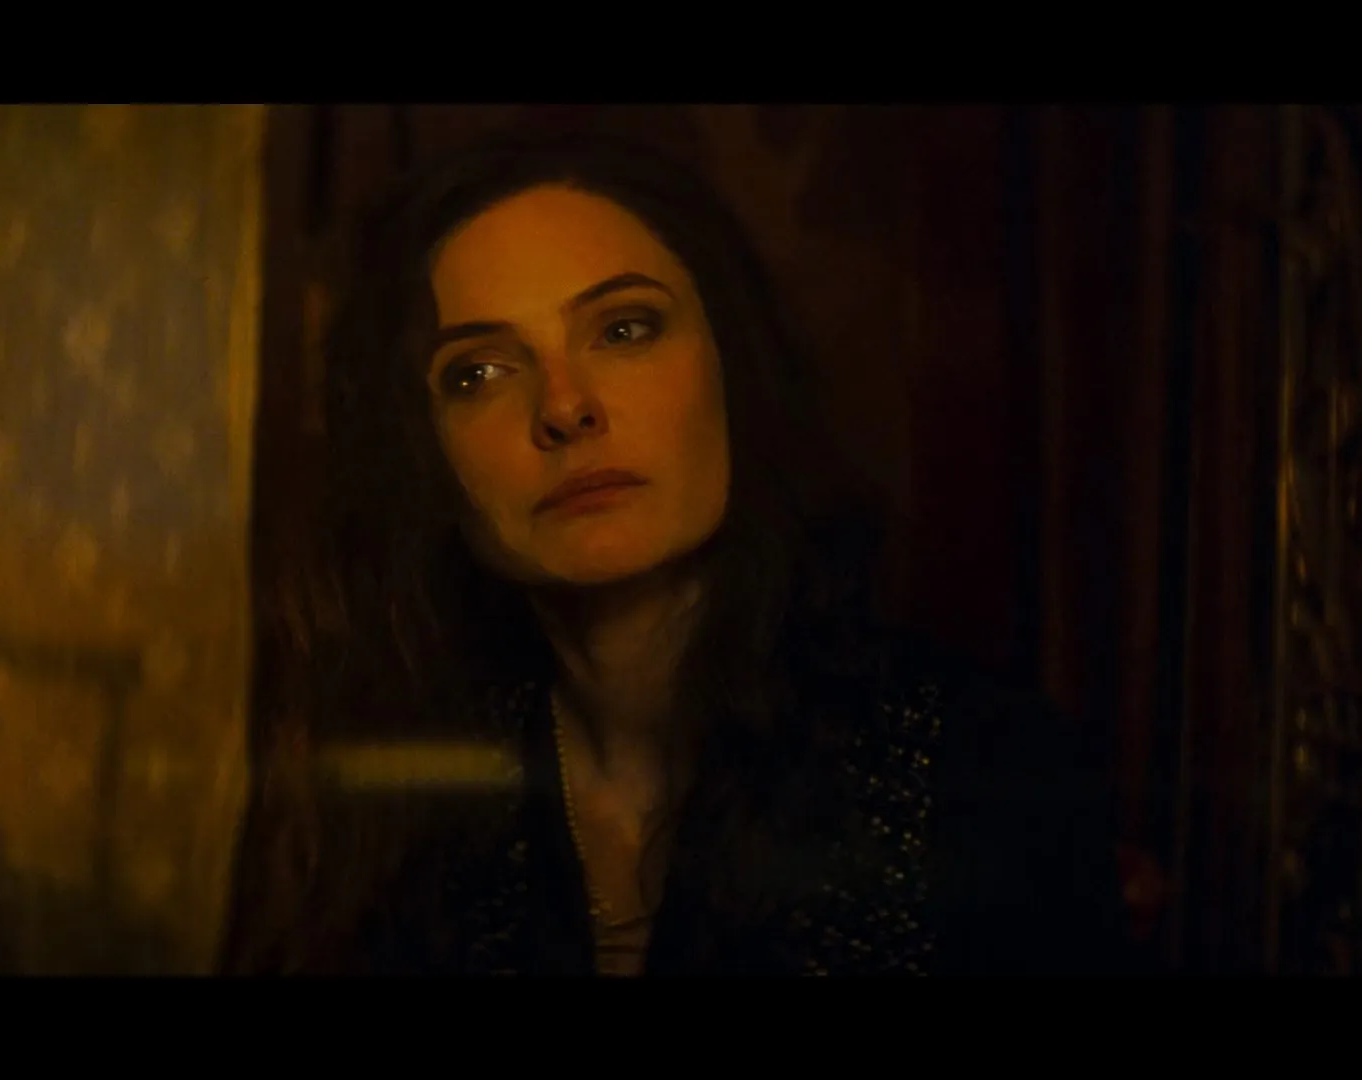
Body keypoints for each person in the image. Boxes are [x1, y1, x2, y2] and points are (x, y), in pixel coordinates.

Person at [224, 128, 1132, 976]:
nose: (564, 408)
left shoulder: (976, 773)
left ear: (732, 364)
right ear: (425, 452)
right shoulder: (398, 810)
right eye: (480, 372)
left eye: (624, 330)